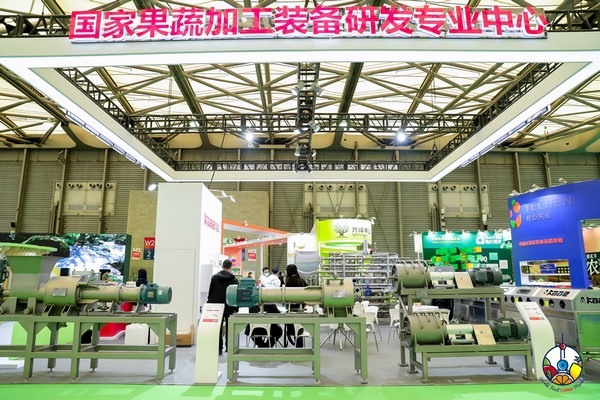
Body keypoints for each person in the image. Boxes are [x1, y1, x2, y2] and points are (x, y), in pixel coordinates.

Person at [207, 259, 239, 355]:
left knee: (217, 328)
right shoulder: (234, 279)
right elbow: (236, 294)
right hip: (230, 305)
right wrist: (236, 308)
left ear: (222, 266)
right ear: (230, 267)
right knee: (230, 327)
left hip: (217, 306)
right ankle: (229, 347)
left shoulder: (214, 278)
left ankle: (219, 349)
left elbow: (210, 292)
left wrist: (209, 304)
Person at [284, 264, 308, 347]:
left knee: (293, 327)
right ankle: (299, 345)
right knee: (299, 326)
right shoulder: (300, 279)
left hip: (292, 307)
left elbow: (287, 294)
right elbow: (308, 289)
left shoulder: (289, 281)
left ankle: (296, 344)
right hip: (300, 307)